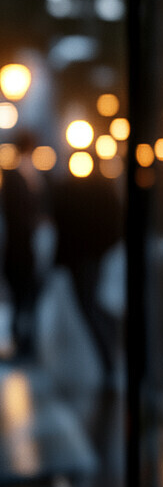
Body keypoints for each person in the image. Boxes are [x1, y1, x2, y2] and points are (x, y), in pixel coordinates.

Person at [50, 164, 123, 386]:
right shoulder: (75, 188)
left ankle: (109, 361)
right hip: (83, 257)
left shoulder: (97, 188)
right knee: (91, 307)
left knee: (91, 308)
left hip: (86, 257)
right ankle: (108, 360)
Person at [1, 130, 50, 360]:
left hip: (28, 247)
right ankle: (21, 340)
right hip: (19, 248)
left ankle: (25, 341)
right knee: (22, 295)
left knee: (27, 296)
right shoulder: (15, 176)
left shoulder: (31, 174)